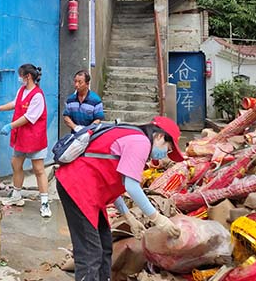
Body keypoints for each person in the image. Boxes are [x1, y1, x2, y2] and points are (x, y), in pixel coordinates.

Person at [55, 116, 185, 280]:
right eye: (168, 148)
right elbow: (131, 186)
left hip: (91, 190)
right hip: (77, 188)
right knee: (90, 253)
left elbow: (115, 181)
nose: (166, 153)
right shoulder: (141, 142)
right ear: (159, 136)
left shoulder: (133, 137)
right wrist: (157, 218)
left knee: (105, 245)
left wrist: (128, 216)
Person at [0, 64, 51, 218]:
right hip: (21, 137)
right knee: (16, 164)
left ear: (27, 76)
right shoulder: (22, 90)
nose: (19, 78)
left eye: (20, 75)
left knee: (39, 170)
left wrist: (10, 125)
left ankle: (44, 202)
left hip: (34, 138)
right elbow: (15, 103)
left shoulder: (38, 95)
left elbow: (29, 117)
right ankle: (16, 195)